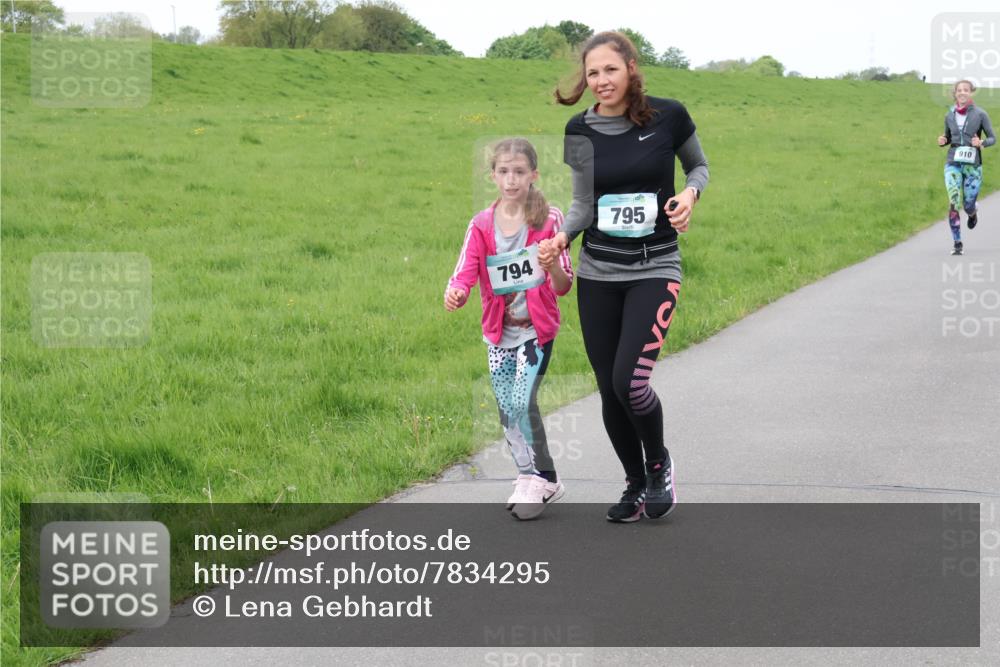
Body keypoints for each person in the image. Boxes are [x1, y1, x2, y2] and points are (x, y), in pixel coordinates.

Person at [538, 31, 709, 523]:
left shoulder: (669, 115)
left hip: (655, 266)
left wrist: (689, 197)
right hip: (598, 272)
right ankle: (635, 483)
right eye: (592, 73)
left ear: (631, 67)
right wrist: (561, 238)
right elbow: (583, 205)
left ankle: (659, 466)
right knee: (608, 387)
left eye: (610, 69)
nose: (601, 80)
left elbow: (698, 167)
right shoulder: (579, 129)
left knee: (629, 381)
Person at [445, 138, 574, 520]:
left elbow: (565, 283)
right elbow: (466, 268)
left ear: (533, 174)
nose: (511, 179)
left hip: (536, 331)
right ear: (493, 176)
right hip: (499, 332)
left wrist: (550, 264)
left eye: (519, 172)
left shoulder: (550, 219)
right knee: (506, 409)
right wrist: (457, 290)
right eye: (503, 172)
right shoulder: (482, 224)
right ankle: (530, 474)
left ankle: (542, 478)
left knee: (522, 402)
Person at [938, 79, 995, 256]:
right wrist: (943, 141)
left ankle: (972, 213)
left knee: (968, 204)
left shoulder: (980, 114)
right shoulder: (949, 115)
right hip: (953, 162)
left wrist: (982, 142)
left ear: (970, 92)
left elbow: (993, 138)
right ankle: (957, 243)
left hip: (973, 166)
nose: (962, 92)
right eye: (959, 90)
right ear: (955, 93)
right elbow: (948, 137)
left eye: (966, 90)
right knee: (954, 201)